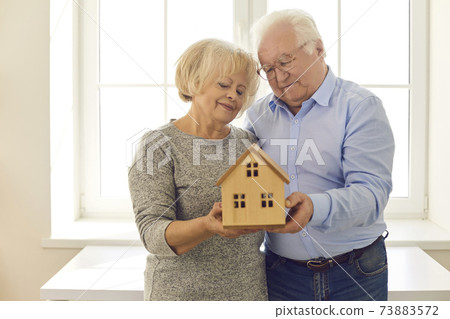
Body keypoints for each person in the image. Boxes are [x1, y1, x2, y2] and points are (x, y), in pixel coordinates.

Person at [243, 9, 395, 301]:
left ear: (318, 48)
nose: (279, 76)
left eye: (285, 61)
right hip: (280, 273)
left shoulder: (360, 107)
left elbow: (372, 195)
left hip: (355, 272)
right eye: (269, 69)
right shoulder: (257, 116)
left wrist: (315, 207)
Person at [128, 39, 267, 300]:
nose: (233, 96)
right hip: (180, 297)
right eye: (224, 85)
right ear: (194, 82)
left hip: (247, 294)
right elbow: (152, 234)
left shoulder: (249, 144)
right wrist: (207, 225)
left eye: (240, 90)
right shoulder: (157, 145)